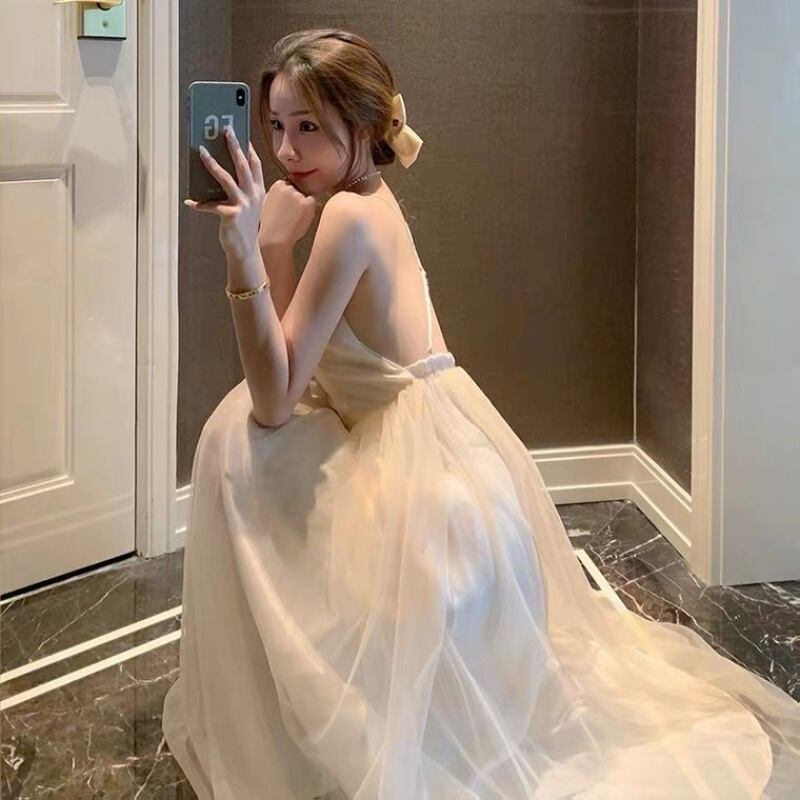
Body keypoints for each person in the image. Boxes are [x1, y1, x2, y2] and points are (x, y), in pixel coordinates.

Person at [162, 27, 800, 800]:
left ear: (362, 128)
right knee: (241, 436)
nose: (287, 150)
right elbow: (296, 357)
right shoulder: (355, 201)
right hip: (433, 447)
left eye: (310, 128)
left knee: (238, 443)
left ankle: (285, 718)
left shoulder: (349, 218)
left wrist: (245, 254)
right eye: (275, 125)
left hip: (424, 486)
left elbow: (274, 397)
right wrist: (273, 247)